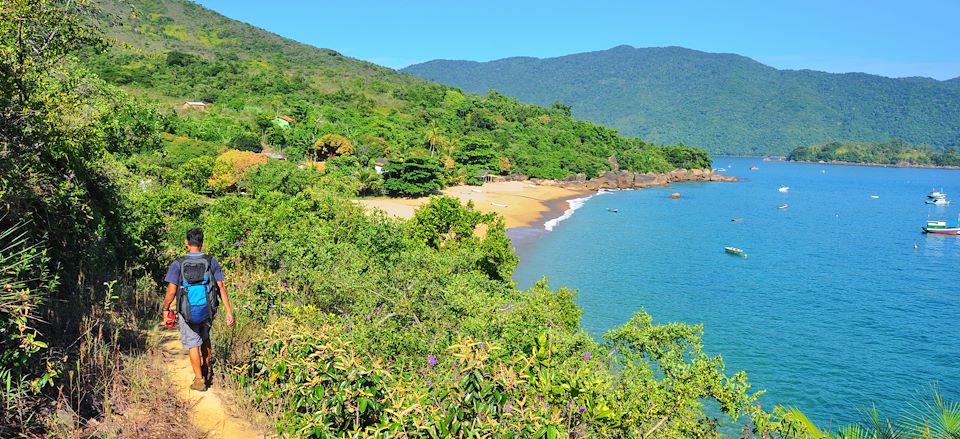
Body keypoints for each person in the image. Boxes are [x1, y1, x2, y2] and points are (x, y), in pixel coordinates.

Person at [162, 228, 235, 391]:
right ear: (202, 243)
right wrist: (229, 311)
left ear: (186, 243)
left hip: (186, 312)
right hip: (208, 310)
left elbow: (171, 291)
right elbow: (221, 287)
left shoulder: (178, 264)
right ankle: (206, 368)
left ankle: (199, 380)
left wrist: (166, 308)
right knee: (205, 338)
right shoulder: (211, 262)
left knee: (193, 343)